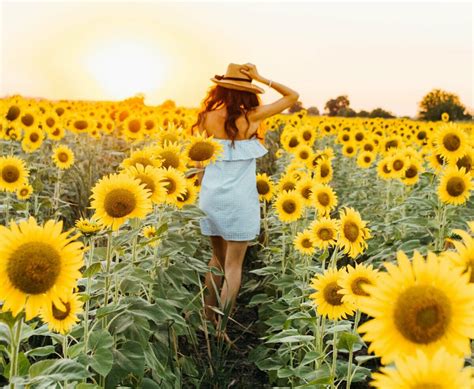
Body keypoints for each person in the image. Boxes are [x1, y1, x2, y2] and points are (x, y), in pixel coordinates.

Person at [191, 62, 299, 340]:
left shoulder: (206, 118)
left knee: (216, 260)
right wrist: (263, 78)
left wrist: (199, 190)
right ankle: (221, 329)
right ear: (248, 91)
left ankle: (207, 318)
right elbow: (292, 96)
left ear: (221, 88)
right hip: (240, 201)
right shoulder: (252, 117)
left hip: (211, 198)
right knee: (233, 267)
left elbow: (198, 162)